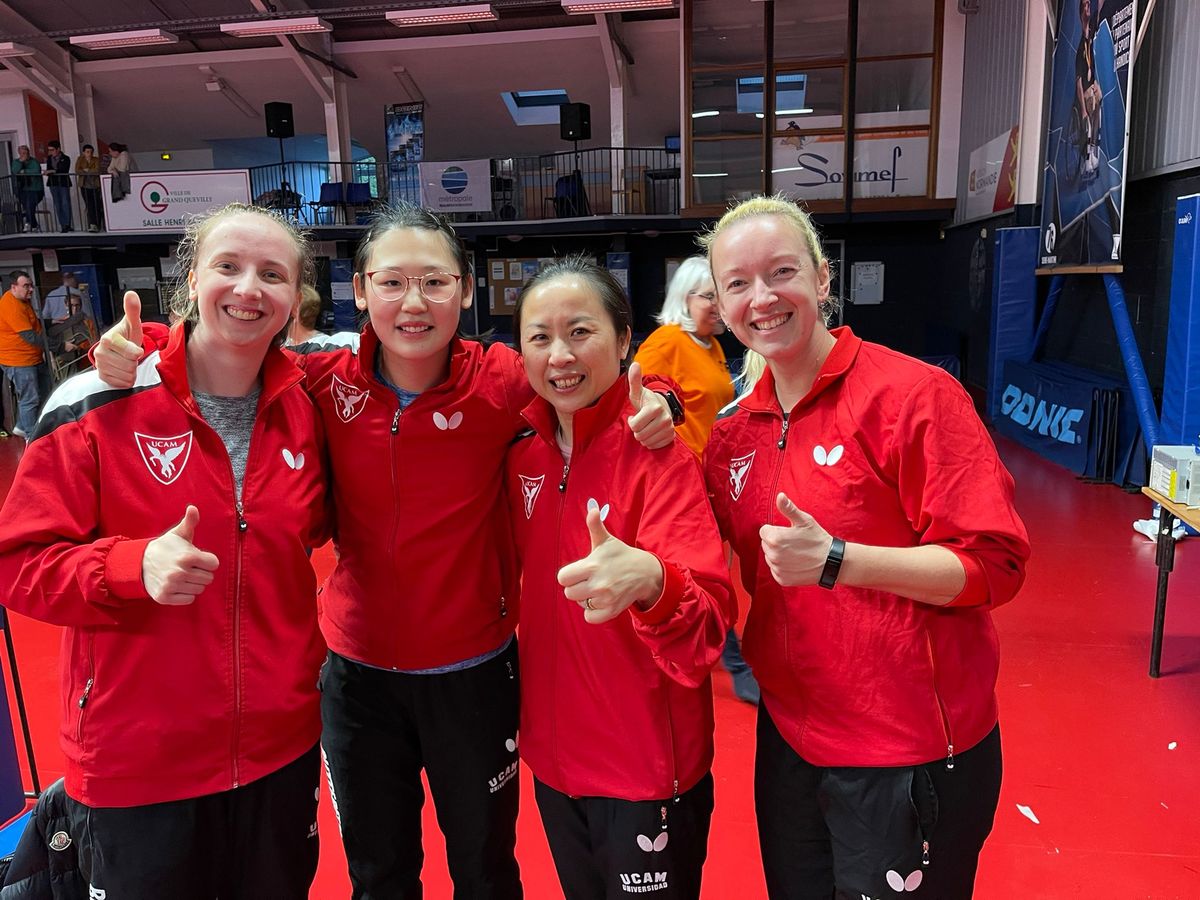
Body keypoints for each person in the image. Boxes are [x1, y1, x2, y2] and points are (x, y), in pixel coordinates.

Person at [92, 201, 680, 899]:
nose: (413, 303)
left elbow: (592, 375)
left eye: (434, 282)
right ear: (360, 290)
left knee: (486, 869)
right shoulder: (322, 377)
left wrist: (664, 399)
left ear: (465, 289)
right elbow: (227, 350)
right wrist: (141, 343)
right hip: (359, 676)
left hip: (475, 671)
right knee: (378, 873)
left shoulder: (501, 378)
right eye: (392, 282)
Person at [700, 196, 1030, 900]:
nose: (762, 297)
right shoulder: (733, 436)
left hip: (904, 752)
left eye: (782, 271)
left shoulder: (914, 396)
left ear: (822, 279)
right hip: (790, 743)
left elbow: (996, 564)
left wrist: (841, 560)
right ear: (719, 301)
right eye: (737, 283)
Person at [0, 203, 330, 899]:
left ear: (296, 298)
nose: (249, 289)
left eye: (272, 274)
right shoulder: (95, 402)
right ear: (191, 281)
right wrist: (127, 566)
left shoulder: (311, 404)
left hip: (282, 753)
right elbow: (18, 565)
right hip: (137, 762)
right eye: (229, 267)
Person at [509, 257, 732, 899]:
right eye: (540, 337)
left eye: (581, 332)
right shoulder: (522, 449)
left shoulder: (659, 457)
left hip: (643, 768)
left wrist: (653, 582)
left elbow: (710, 627)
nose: (560, 355)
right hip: (554, 763)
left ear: (624, 337)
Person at [634, 256, 760, 705]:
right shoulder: (669, 340)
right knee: (702, 571)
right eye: (708, 296)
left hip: (714, 478)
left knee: (713, 573)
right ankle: (736, 661)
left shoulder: (710, 345)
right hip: (679, 481)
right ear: (684, 298)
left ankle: (720, 650)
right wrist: (660, 410)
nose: (717, 306)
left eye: (719, 296)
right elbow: (644, 387)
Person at [0, 271, 47, 440]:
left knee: (44, 392)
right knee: (30, 399)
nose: (31, 289)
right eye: (26, 285)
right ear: (14, 287)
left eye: (31, 285)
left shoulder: (23, 301)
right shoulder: (10, 305)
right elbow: (29, 336)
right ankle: (31, 437)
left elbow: (34, 327)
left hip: (32, 358)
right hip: (18, 361)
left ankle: (21, 425)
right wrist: (59, 345)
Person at [10, 146, 43, 232]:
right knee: (28, 207)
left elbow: (36, 171)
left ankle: (28, 223)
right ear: (19, 153)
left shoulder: (34, 161)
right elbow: (15, 170)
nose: (25, 155)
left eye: (26, 153)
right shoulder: (16, 162)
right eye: (23, 153)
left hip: (35, 189)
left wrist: (24, 171)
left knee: (29, 205)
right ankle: (35, 225)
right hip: (22, 189)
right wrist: (21, 162)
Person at [44, 141, 72, 232]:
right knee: (57, 204)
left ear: (58, 149)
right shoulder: (49, 158)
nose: (50, 152)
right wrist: (51, 171)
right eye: (49, 150)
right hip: (53, 183)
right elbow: (48, 170)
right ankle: (63, 224)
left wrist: (53, 171)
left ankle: (67, 224)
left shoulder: (66, 158)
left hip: (63, 183)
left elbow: (64, 169)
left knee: (65, 203)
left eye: (52, 150)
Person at [76, 144, 103, 232]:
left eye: (91, 152)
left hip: (95, 186)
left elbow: (97, 170)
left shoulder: (96, 160)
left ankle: (97, 224)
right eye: (87, 152)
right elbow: (77, 170)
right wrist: (87, 171)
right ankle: (92, 224)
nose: (89, 154)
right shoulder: (80, 159)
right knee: (89, 205)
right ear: (84, 152)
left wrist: (87, 170)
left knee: (96, 205)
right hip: (84, 185)